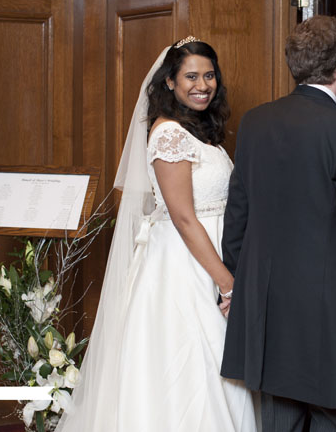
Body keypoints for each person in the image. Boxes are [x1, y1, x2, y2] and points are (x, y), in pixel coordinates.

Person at [56, 38, 256, 432]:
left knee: (220, 368)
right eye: (191, 76)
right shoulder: (168, 135)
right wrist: (228, 283)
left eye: (209, 75)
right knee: (194, 365)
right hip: (185, 265)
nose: (203, 85)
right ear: (169, 82)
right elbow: (183, 218)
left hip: (211, 252)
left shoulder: (199, 131)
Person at [221, 15, 336, 432]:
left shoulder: (255, 122)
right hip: (331, 317)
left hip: (269, 311)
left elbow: (236, 219)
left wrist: (240, 291)